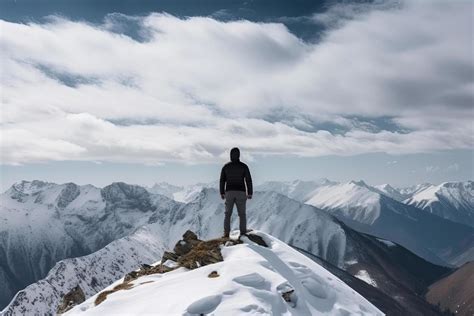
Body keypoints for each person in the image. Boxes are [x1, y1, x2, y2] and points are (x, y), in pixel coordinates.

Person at [220, 147, 253, 238]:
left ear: (230, 155)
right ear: (239, 155)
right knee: (242, 214)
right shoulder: (244, 166)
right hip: (241, 192)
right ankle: (243, 233)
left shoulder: (226, 166)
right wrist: (250, 192)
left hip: (229, 192)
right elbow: (248, 180)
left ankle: (226, 233)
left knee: (227, 214)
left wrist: (222, 192)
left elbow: (222, 180)